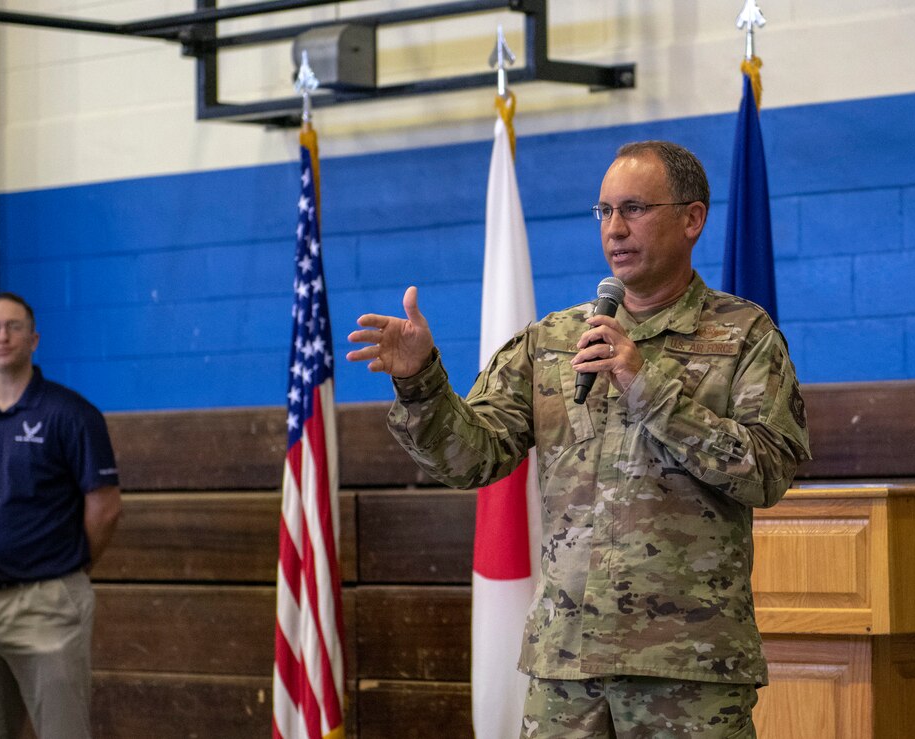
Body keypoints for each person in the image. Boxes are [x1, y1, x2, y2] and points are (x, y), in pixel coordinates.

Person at [347, 141, 811, 738]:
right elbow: (473, 459)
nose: (615, 230)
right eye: (604, 212)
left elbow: (768, 471)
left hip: (688, 667)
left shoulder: (743, 335)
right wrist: (420, 382)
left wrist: (646, 384)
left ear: (692, 219)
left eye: (636, 209)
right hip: (566, 663)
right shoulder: (553, 341)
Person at [0, 291, 122, 739]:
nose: (3, 336)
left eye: (14, 326)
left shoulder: (71, 413)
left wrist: (67, 571)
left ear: (34, 339)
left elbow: (105, 507)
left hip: (48, 605)